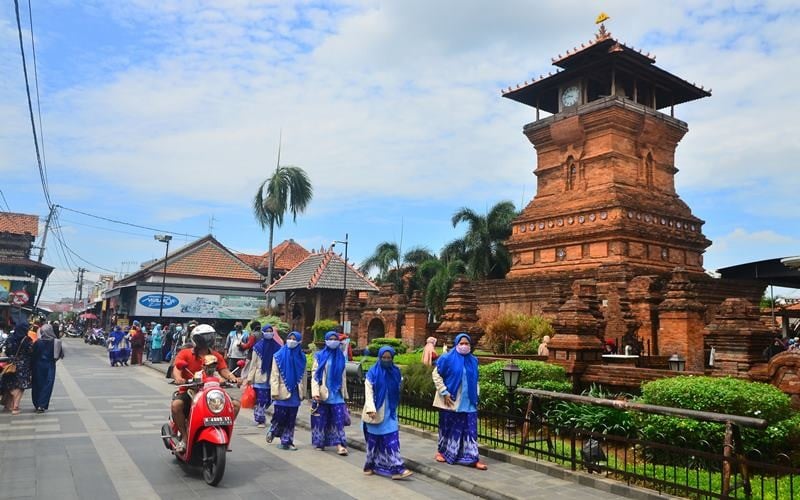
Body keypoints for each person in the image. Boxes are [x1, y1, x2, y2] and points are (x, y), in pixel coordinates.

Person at [171, 324, 242, 453]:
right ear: (196, 339)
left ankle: (223, 430)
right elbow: (177, 369)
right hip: (190, 390)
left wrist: (233, 378)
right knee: (176, 405)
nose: (207, 340)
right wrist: (179, 378)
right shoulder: (185, 353)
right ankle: (185, 438)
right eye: (204, 337)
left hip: (211, 392)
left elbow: (224, 370)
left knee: (235, 405)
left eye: (209, 337)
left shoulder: (216, 355)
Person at [432, 333, 487, 470]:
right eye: (461, 343)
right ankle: (443, 452)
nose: (464, 346)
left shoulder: (473, 360)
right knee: (448, 427)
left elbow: (476, 379)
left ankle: (472, 457)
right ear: (456, 344)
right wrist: (443, 391)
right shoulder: (447, 358)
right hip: (451, 400)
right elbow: (436, 374)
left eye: (466, 343)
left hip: (469, 401)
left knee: (470, 430)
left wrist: (477, 394)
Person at [363, 346, 413, 479]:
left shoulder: (396, 372)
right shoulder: (372, 373)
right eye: (383, 358)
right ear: (379, 358)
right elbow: (369, 392)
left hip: (390, 412)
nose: (386, 360)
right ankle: (371, 465)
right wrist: (371, 409)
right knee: (374, 442)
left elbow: (398, 388)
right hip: (375, 412)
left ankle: (398, 469)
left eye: (389, 358)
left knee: (392, 441)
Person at [311, 331, 349, 455]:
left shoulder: (341, 356)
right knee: (322, 420)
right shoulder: (320, 356)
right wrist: (315, 392)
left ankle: (340, 445)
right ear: (326, 341)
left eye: (335, 339)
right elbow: (315, 375)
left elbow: (343, 377)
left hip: (337, 394)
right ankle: (320, 442)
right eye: (331, 339)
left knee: (338, 420)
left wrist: (345, 394)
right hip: (323, 393)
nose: (333, 341)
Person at [267, 331, 306, 450]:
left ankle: (287, 441)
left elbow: (303, 377)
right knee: (280, 416)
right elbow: (274, 375)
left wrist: (303, 393)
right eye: (290, 338)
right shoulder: (278, 356)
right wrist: (274, 392)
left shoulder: (302, 357)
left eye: (295, 339)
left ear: (299, 342)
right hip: (281, 391)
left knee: (291, 418)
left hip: (295, 392)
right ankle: (273, 430)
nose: (292, 341)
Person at [243, 325, 282, 427]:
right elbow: (254, 364)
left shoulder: (278, 347)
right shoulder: (258, 347)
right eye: (267, 331)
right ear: (263, 333)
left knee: (270, 399)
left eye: (270, 331)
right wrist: (250, 378)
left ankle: (259, 411)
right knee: (261, 399)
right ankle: (260, 418)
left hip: (273, 377)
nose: (269, 333)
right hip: (260, 377)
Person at [1, 323, 35, 415]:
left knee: (11, 384)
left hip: (11, 365)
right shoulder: (27, 340)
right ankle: (15, 407)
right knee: (20, 387)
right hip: (23, 366)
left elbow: (6, 351)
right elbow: (31, 351)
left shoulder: (10, 339)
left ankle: (10, 405)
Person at [32, 322, 61, 413]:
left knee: (37, 384)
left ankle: (37, 404)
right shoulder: (56, 342)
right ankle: (42, 405)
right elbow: (59, 355)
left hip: (38, 366)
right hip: (50, 366)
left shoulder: (38, 342)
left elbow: (33, 355)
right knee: (47, 385)